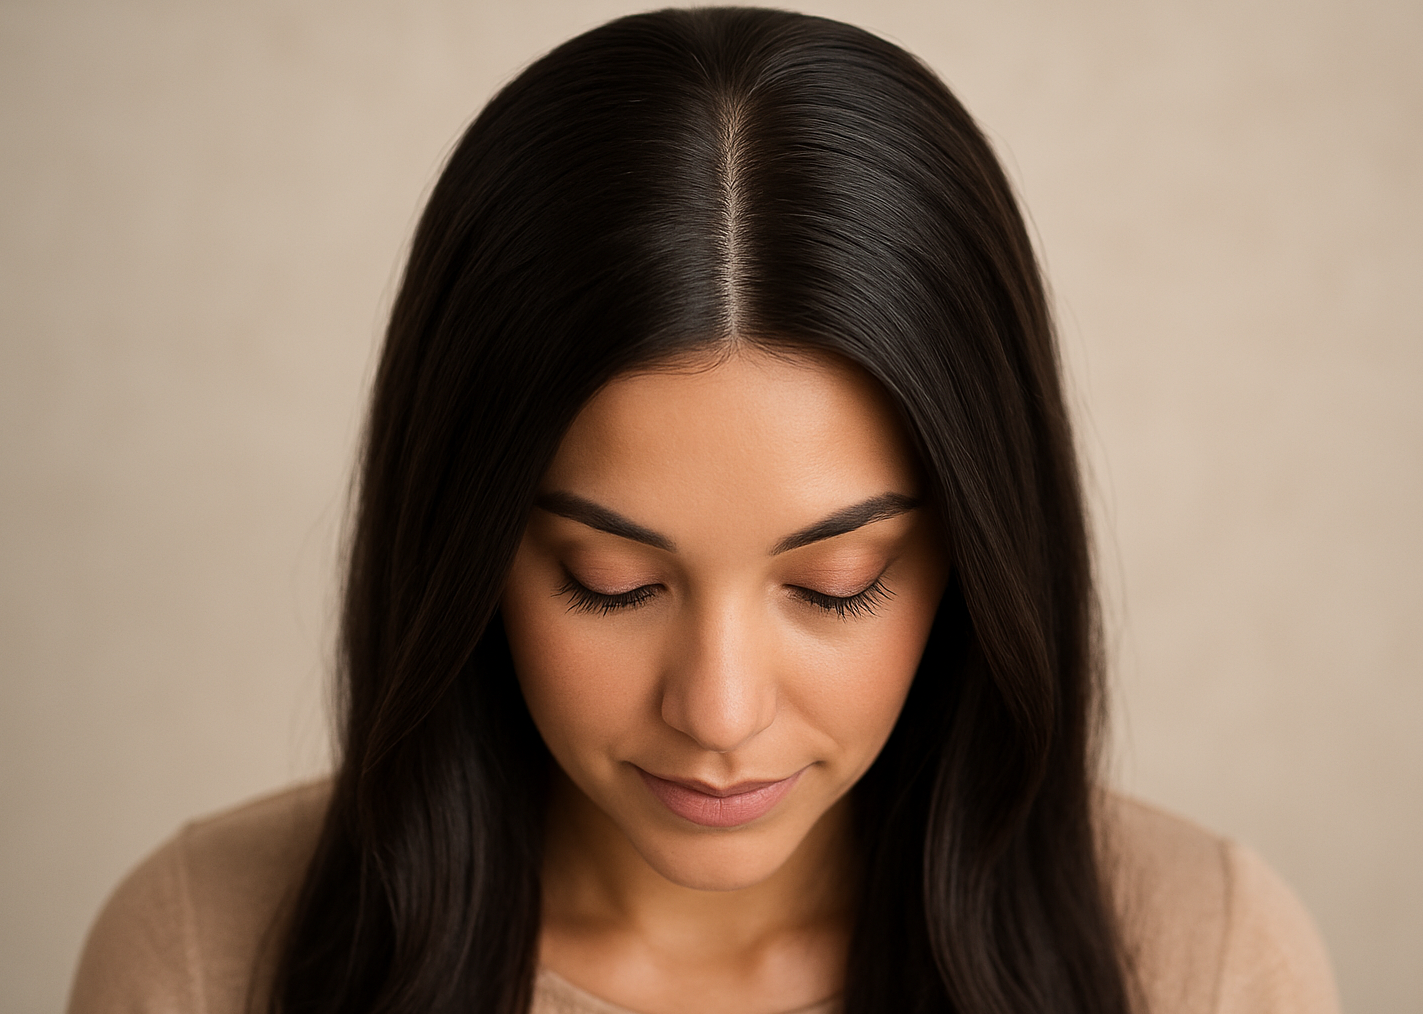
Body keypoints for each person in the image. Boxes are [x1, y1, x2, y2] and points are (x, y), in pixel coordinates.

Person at [67, 8, 1342, 1014]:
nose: (718, 712)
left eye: (837, 580)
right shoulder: (204, 952)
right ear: (464, 548)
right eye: (607, 579)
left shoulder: (1203, 960)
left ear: (974, 551)